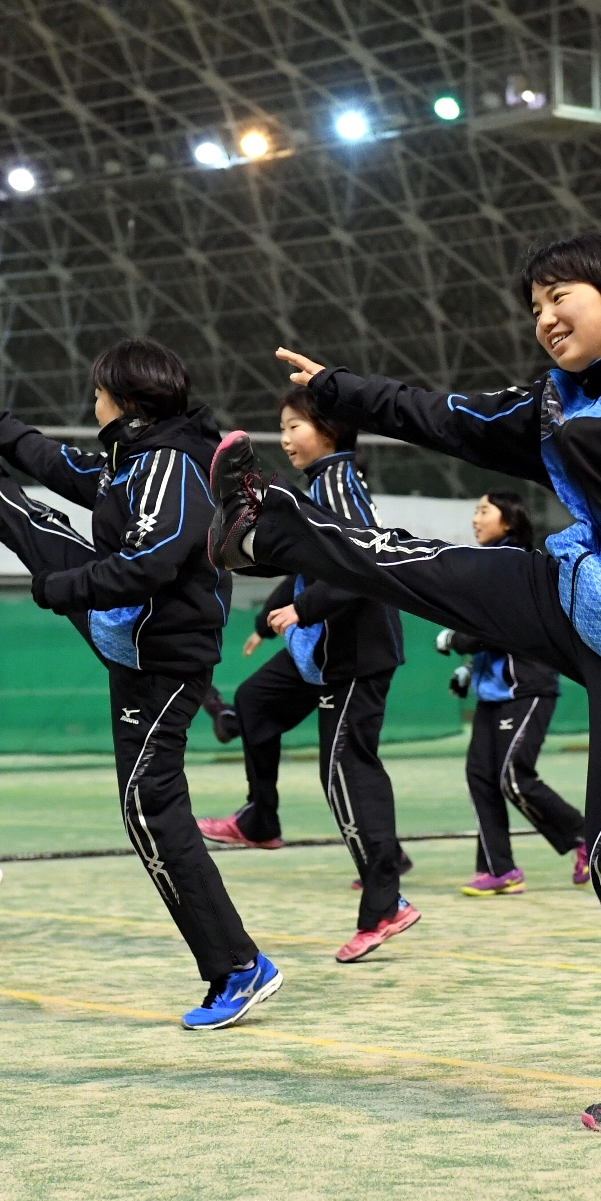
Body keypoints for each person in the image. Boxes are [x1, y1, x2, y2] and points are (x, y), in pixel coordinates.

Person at [207, 230, 601, 1134]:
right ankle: (270, 527)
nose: (543, 317)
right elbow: (448, 416)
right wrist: (335, 388)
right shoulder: (554, 400)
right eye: (533, 304)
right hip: (574, 595)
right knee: (422, 565)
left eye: (558, 295)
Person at [0, 346, 280, 1030]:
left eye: (98, 390)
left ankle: (238, 966)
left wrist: (61, 589)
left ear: (125, 399)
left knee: (148, 807)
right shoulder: (139, 454)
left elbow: (154, 561)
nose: (90, 400)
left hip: (160, 654)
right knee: (34, 523)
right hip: (132, 637)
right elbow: (58, 467)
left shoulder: (174, 465)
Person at [195, 386, 414, 954]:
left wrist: (304, 608)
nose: (287, 438)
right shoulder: (319, 486)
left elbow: (364, 564)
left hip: (357, 652)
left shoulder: (340, 486)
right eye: (284, 427)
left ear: (333, 431)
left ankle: (387, 903)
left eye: (297, 426)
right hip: (322, 650)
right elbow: (305, 562)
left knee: (345, 770)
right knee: (255, 704)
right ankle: (261, 819)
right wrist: (272, 614)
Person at [437, 491, 589, 896]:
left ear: (508, 522)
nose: (475, 518)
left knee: (512, 777)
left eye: (484, 510)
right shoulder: (490, 562)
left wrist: (454, 638)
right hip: (495, 692)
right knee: (480, 777)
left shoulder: (513, 562)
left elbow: (492, 627)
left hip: (528, 688)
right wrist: (468, 671)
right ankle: (499, 869)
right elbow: (499, 635)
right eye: (475, 509)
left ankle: (586, 837)